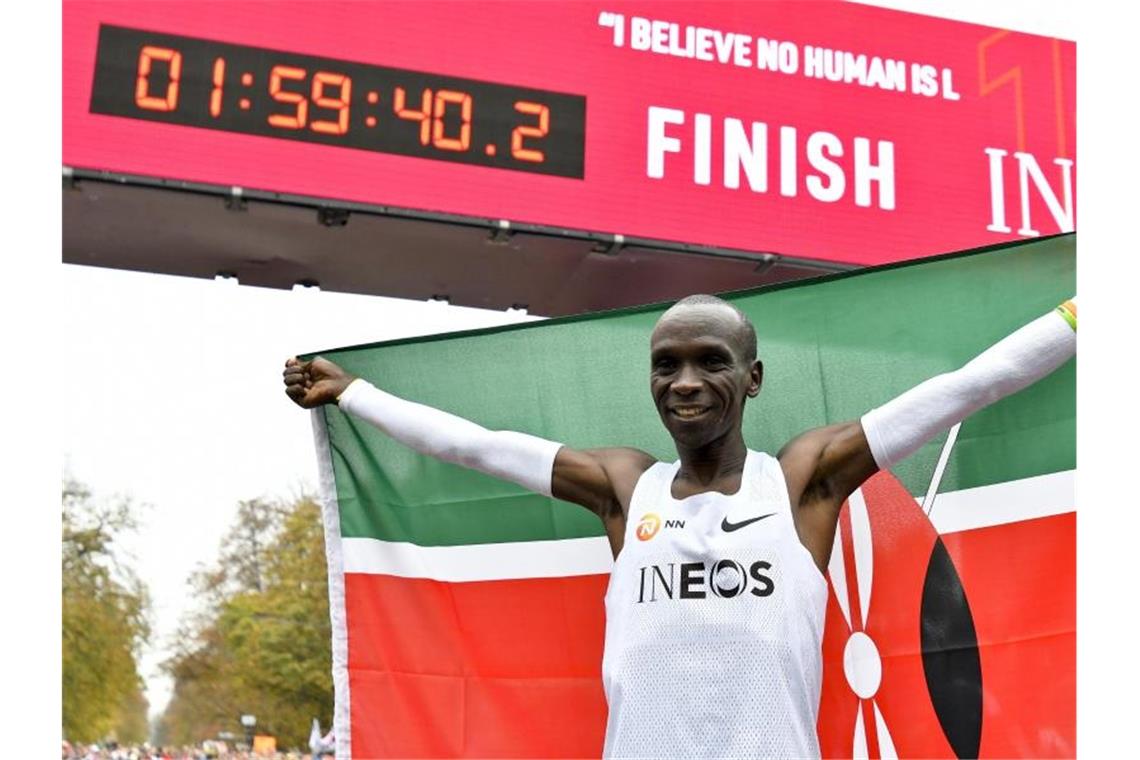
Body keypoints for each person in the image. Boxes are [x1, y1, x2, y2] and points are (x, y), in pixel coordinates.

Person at [284, 294, 1076, 758]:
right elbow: (477, 448)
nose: (685, 382)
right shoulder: (626, 489)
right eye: (667, 364)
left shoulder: (803, 481)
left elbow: (967, 388)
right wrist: (355, 394)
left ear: (753, 377)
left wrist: (1082, 313)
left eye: (710, 361)